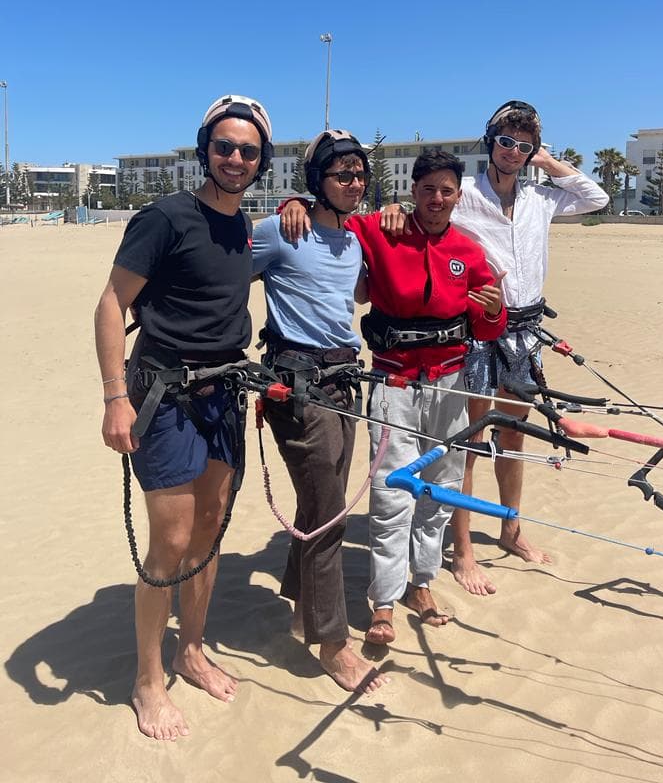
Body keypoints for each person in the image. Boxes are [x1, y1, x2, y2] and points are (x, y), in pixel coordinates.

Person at [95, 95, 273, 741]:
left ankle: (189, 650)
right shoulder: (165, 217)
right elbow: (112, 304)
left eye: (248, 151)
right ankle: (147, 680)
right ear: (206, 150)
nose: (235, 158)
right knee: (169, 539)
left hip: (225, 391)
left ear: (261, 160)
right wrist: (116, 396)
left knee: (210, 529)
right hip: (162, 392)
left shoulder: (246, 227)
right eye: (224, 146)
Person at [280, 149, 506, 643]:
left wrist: (495, 308)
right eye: (428, 189)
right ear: (413, 192)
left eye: (447, 190)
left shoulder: (468, 252)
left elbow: (489, 328)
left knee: (439, 490)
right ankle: (383, 600)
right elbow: (329, 218)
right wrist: (291, 203)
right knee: (389, 494)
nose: (437, 199)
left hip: (449, 386)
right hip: (393, 385)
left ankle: (421, 584)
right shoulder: (381, 231)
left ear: (458, 195)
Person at [383, 101, 608, 595]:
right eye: (506, 142)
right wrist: (396, 212)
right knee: (470, 440)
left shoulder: (540, 197)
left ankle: (511, 531)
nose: (513, 152)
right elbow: (422, 210)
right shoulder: (465, 197)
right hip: (480, 331)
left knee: (514, 436)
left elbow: (597, 198)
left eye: (524, 145)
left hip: (527, 332)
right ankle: (462, 549)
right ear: (491, 142)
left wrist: (547, 163)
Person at [251, 129, 387, 694]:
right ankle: (333, 643)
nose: (353, 184)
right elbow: (217, 265)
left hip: (342, 382)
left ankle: (301, 605)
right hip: (296, 385)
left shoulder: (354, 238)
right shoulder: (282, 232)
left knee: (318, 499)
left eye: (359, 175)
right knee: (330, 511)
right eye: (341, 175)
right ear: (316, 182)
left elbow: (357, 296)